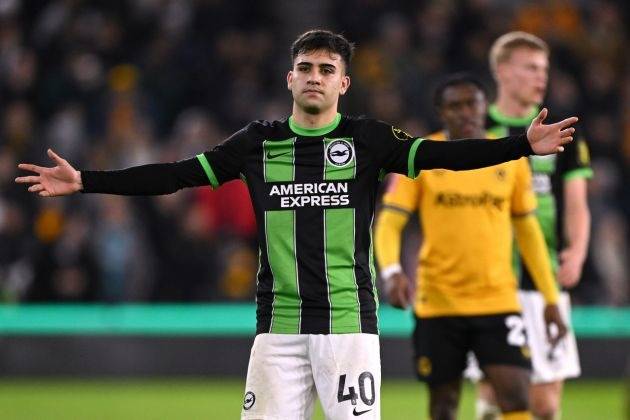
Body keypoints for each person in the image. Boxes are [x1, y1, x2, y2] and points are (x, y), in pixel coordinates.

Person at [15, 30, 577, 420]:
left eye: (327, 70)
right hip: (277, 328)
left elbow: (445, 158)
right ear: (290, 78)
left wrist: (519, 147)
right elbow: (174, 175)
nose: (315, 77)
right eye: (306, 68)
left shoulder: (368, 139)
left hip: (348, 327)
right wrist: (85, 180)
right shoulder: (256, 144)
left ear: (343, 84)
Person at [374, 74, 566, 420]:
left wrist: (550, 298)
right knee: (443, 406)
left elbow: (529, 234)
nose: (464, 112)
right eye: (455, 106)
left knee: (516, 397)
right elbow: (389, 221)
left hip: (497, 301)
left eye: (471, 104)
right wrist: (391, 271)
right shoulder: (418, 157)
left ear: (484, 106)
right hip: (438, 303)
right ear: (441, 112)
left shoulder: (511, 158)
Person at [473, 32, 593, 420]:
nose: (541, 76)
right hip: (489, 278)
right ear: (502, 70)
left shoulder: (563, 130)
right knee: (493, 396)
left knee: (545, 405)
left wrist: (577, 251)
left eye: (544, 69)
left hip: (544, 277)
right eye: (530, 67)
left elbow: (576, 203)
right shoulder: (476, 127)